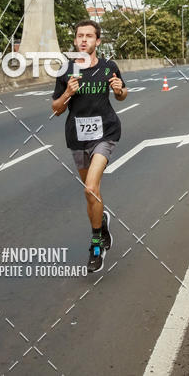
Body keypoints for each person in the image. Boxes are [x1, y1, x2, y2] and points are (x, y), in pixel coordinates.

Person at [52, 20, 127, 274]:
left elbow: (121, 93)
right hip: (77, 137)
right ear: (75, 41)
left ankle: (96, 246)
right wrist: (67, 94)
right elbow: (56, 108)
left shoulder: (108, 67)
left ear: (98, 41)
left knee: (90, 188)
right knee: (92, 196)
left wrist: (119, 90)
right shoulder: (66, 71)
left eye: (89, 36)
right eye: (79, 36)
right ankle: (102, 223)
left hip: (105, 133)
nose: (83, 40)